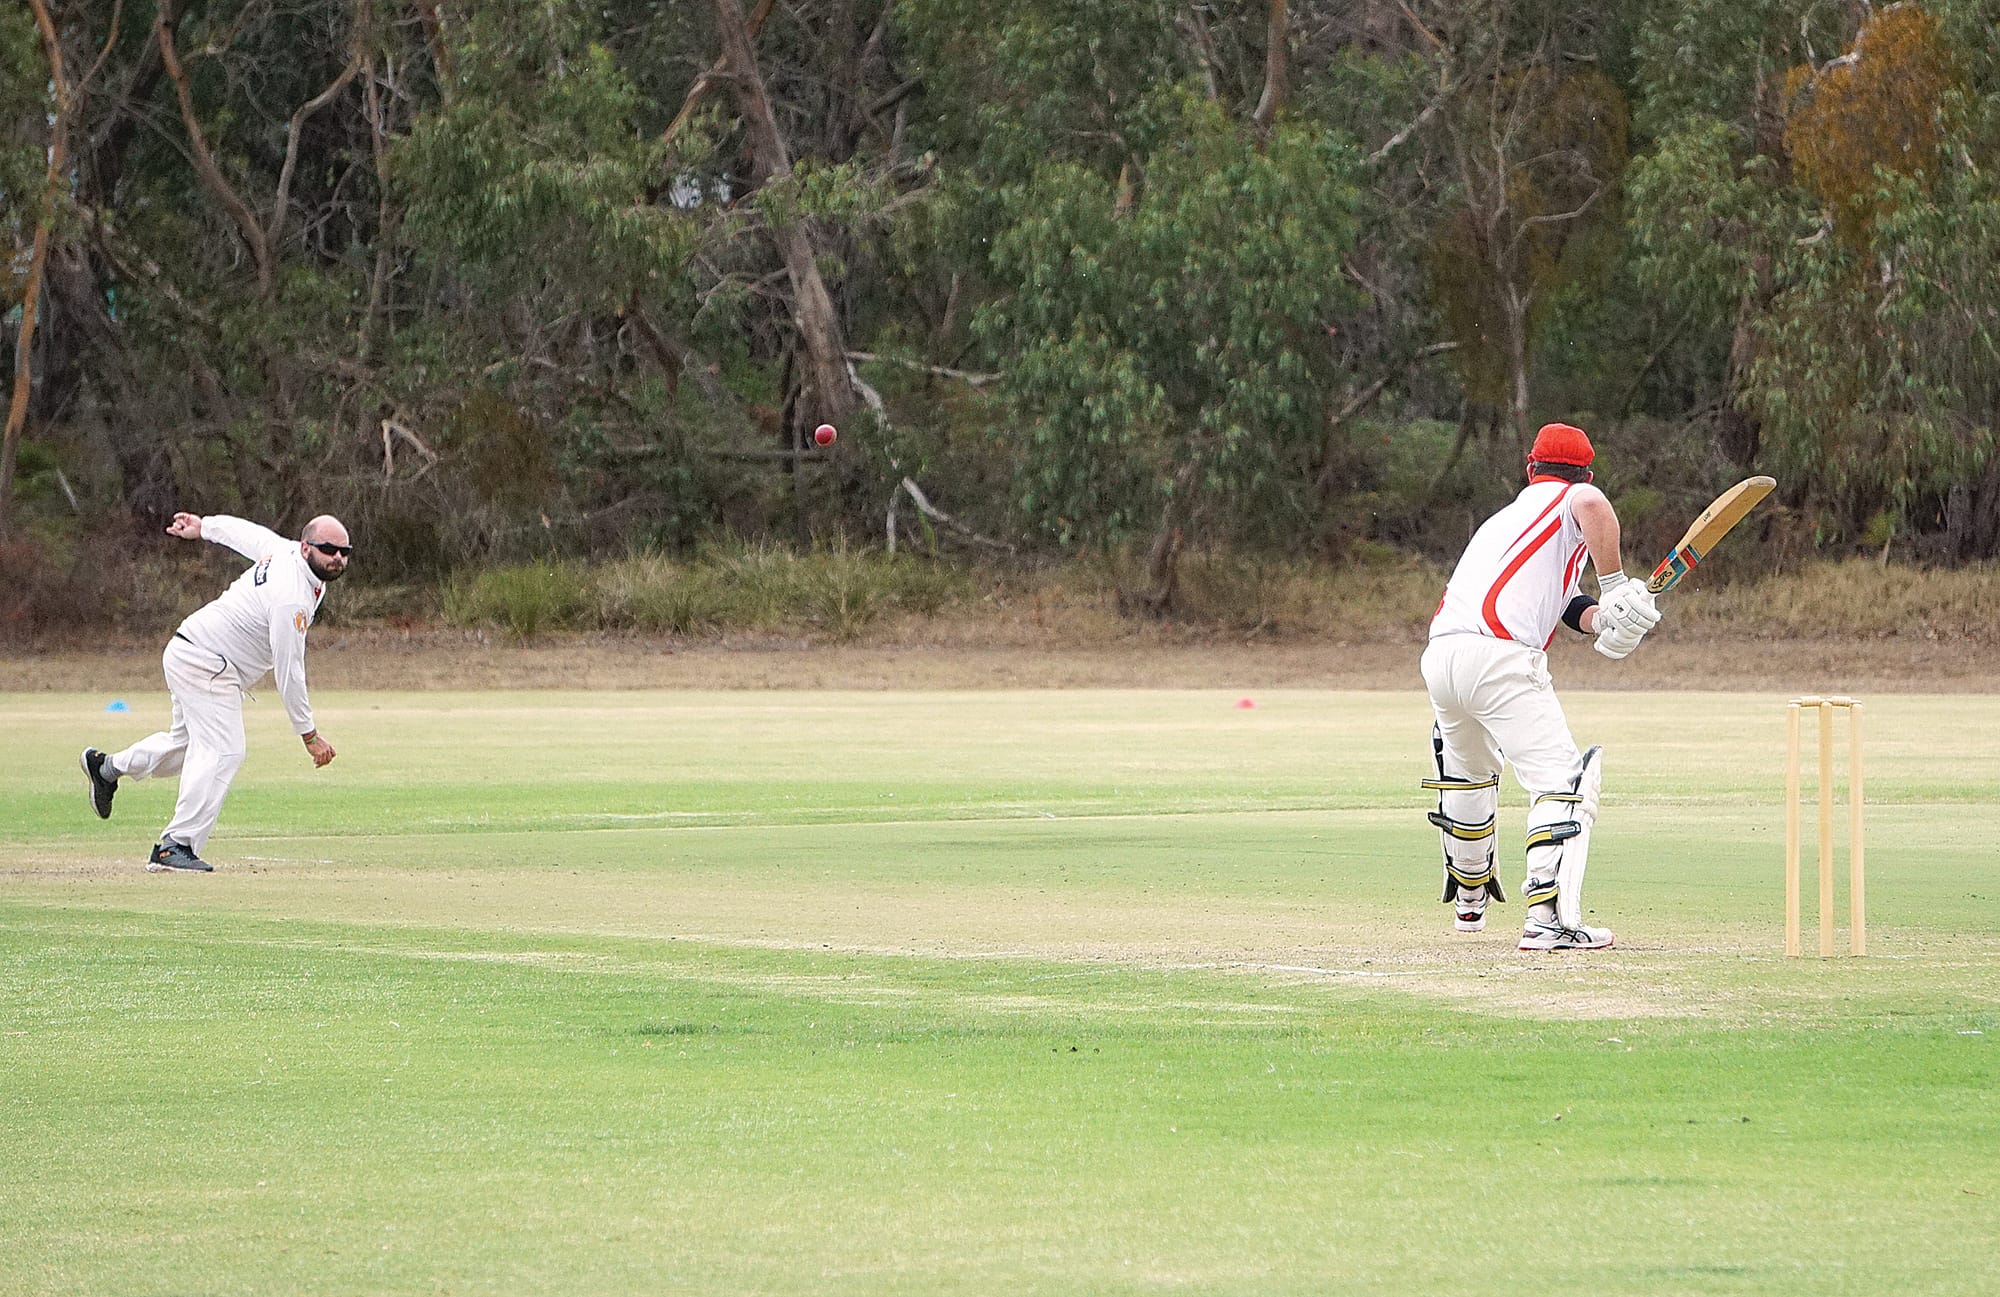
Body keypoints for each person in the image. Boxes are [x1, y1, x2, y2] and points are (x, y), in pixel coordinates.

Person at [1419, 423, 1660, 950]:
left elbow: (1567, 603)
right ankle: (1548, 921)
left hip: (1442, 658)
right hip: (1500, 660)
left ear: (1531, 469)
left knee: (1470, 775)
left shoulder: (1507, 519)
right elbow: (1593, 504)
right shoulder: (1576, 497)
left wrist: (1606, 621)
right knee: (1563, 780)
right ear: (1585, 472)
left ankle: (1469, 904)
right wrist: (1617, 586)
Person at [81, 512, 349, 872]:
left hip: (197, 653)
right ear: (306, 548)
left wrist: (205, 526)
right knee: (225, 751)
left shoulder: (286, 554)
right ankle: (174, 845)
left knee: (186, 747)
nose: (337, 557)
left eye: (344, 551)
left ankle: (107, 768)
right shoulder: (291, 598)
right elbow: (289, 671)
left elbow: (248, 534)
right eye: (329, 549)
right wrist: (309, 734)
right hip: (207, 662)